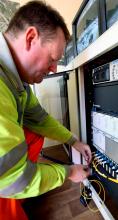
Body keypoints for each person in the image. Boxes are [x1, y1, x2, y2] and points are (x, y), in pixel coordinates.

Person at [0, 1, 92, 219]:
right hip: (7, 178)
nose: (54, 69)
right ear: (31, 38)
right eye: (52, 59)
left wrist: (73, 140)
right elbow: (14, 178)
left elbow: (40, 119)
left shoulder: (16, 83)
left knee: (33, 132)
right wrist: (69, 172)